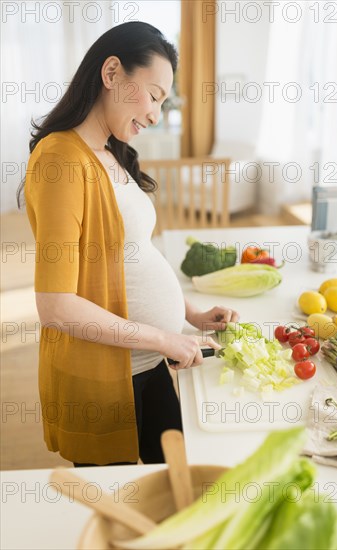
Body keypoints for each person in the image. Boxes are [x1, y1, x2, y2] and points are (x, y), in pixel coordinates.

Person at [17, 21, 239, 467]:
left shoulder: (110, 151)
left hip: (149, 362)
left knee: (176, 481)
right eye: (154, 95)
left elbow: (132, 254)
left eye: (162, 101)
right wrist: (162, 336)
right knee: (122, 508)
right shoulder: (61, 160)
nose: (156, 114)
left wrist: (188, 315)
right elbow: (56, 306)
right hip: (106, 378)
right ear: (112, 72)